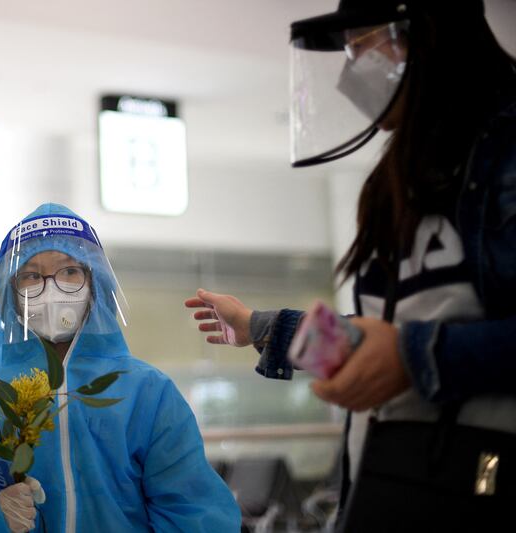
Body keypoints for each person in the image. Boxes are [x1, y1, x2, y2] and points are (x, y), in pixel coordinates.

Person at [187, 0, 516, 529]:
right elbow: (382, 341)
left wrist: (414, 358)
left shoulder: (503, 150)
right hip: (391, 484)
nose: (348, 71)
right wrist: (260, 328)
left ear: (424, 33)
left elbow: (404, 348)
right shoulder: (404, 178)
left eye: (360, 46)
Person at [0, 203, 240, 532]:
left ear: (95, 285)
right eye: (31, 275)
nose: (51, 287)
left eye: (69, 271)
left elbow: (192, 510)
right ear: (11, 296)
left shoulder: (148, 393)